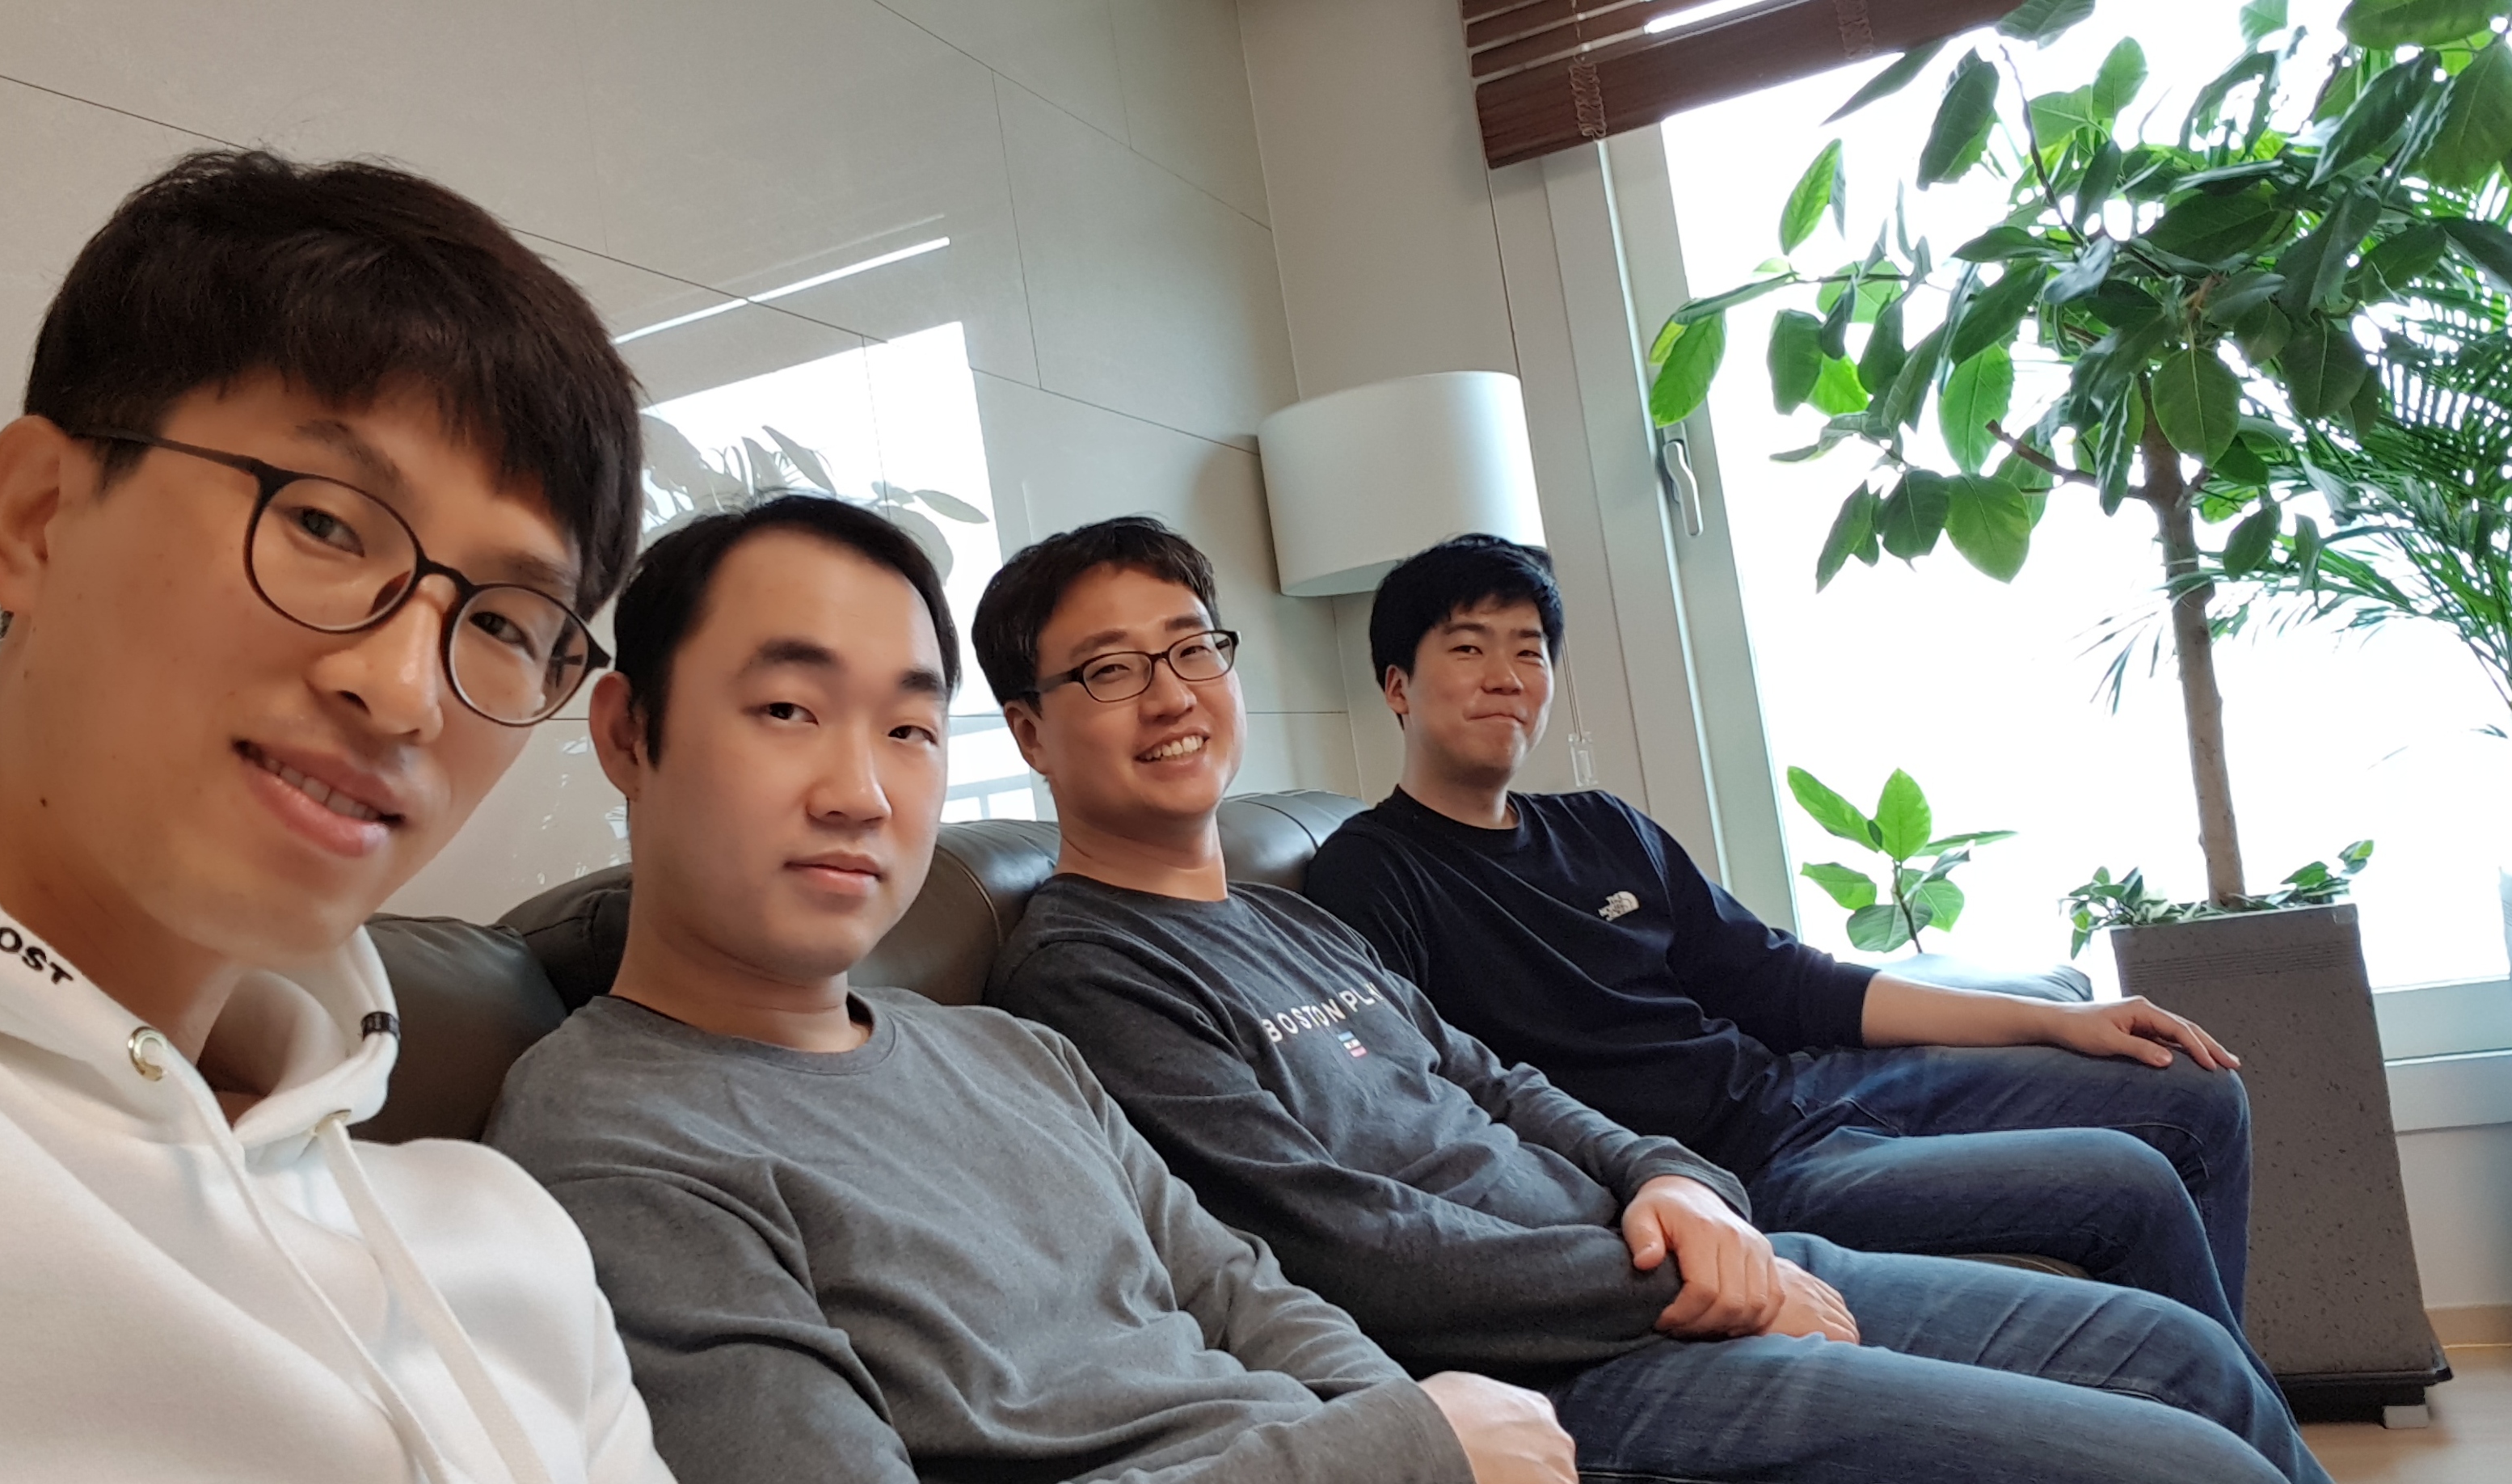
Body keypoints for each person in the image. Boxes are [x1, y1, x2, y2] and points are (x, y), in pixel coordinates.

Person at [976, 516, 2330, 1484]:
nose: (1170, 694)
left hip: (1679, 1249)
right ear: (1030, 728)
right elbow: (1345, 1246)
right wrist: (1691, 1270)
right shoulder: (1089, 971)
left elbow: (1498, 1084)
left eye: (1192, 649)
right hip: (1582, 1359)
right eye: (1109, 669)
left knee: (2190, 1361)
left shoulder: (1287, 918)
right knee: (2184, 1459)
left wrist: (1672, 1181)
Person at [486, 497, 1574, 1484]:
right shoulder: (615, 1140)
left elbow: (1242, 1291)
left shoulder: (1016, 1053)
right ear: (628, 732)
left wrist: (1424, 1432)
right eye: (786, 709)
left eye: (908, 731)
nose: (861, 795)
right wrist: (1405, 1449)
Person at [0, 150, 669, 1482]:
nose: (403, 691)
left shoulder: (508, 1247)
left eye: (502, 622)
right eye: (326, 524)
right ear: (39, 518)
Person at [1299, 534, 2257, 1334]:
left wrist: (2057, 1022)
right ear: (1398, 685)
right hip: (1738, 1172)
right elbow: (1417, 1102)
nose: (1507, 678)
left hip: (1810, 1089)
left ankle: (2225, 1422)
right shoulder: (1369, 872)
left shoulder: (1602, 824)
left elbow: (1786, 982)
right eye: (1468, 649)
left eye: (1530, 651)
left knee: (2196, 1093)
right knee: (2128, 1183)